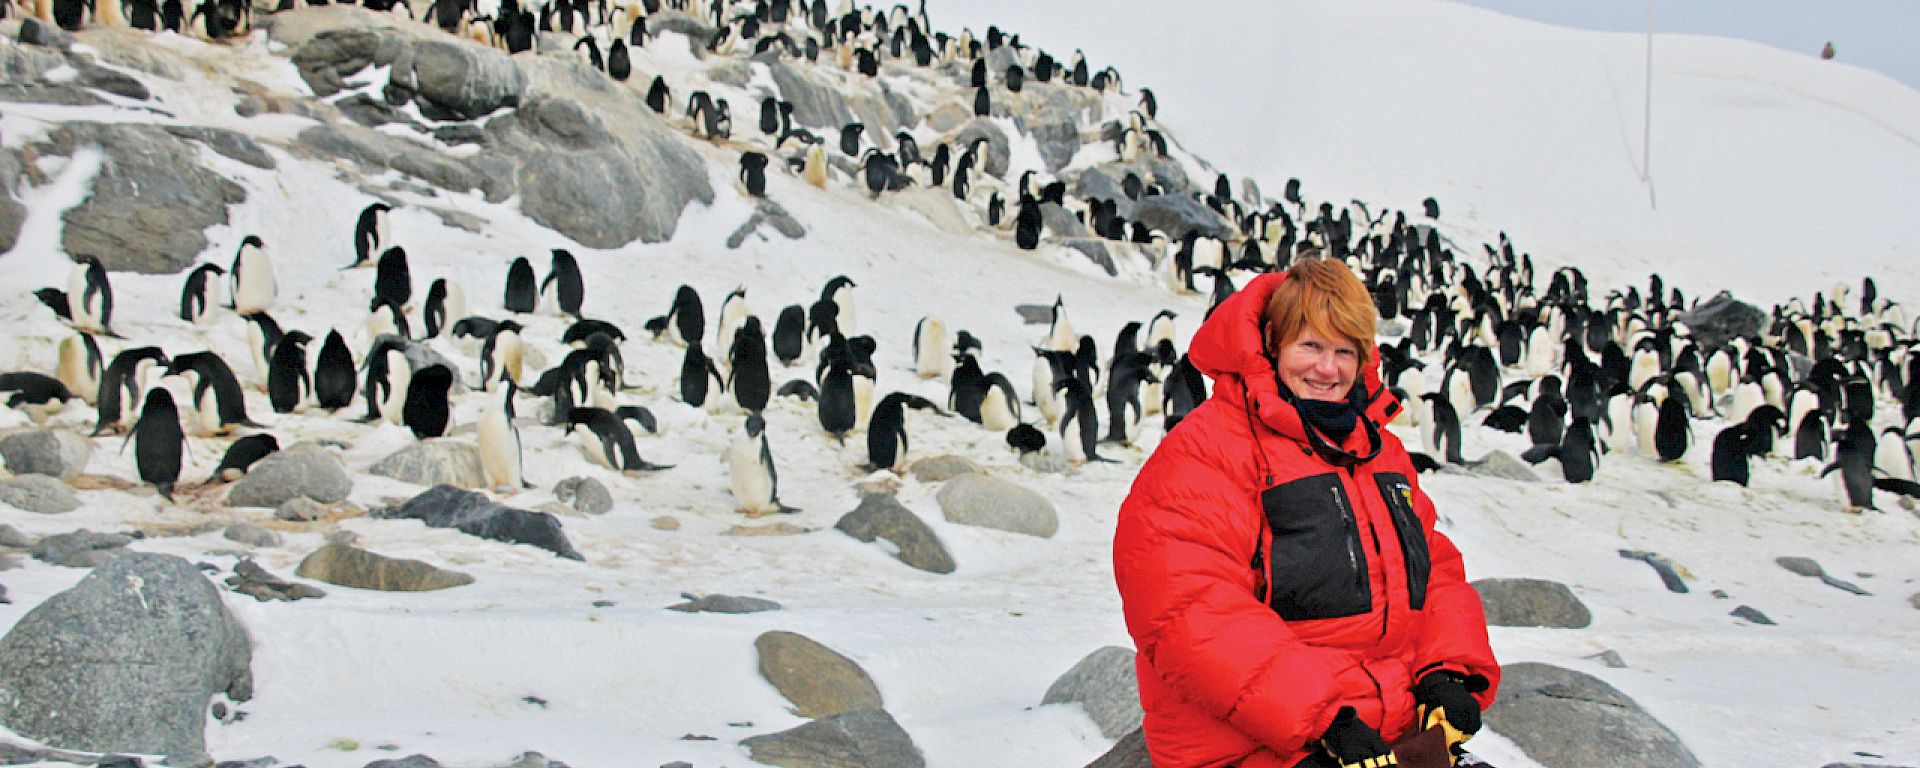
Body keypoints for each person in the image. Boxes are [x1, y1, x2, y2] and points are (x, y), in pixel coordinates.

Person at [1113, 257, 1500, 768]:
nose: (1328, 369)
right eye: (1311, 346)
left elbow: (1434, 571)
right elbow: (1189, 611)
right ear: (1273, 343)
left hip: (1379, 737)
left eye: (1344, 351)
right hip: (1255, 745)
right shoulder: (1207, 453)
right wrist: (1324, 721)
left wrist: (1447, 671)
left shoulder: (1376, 449)